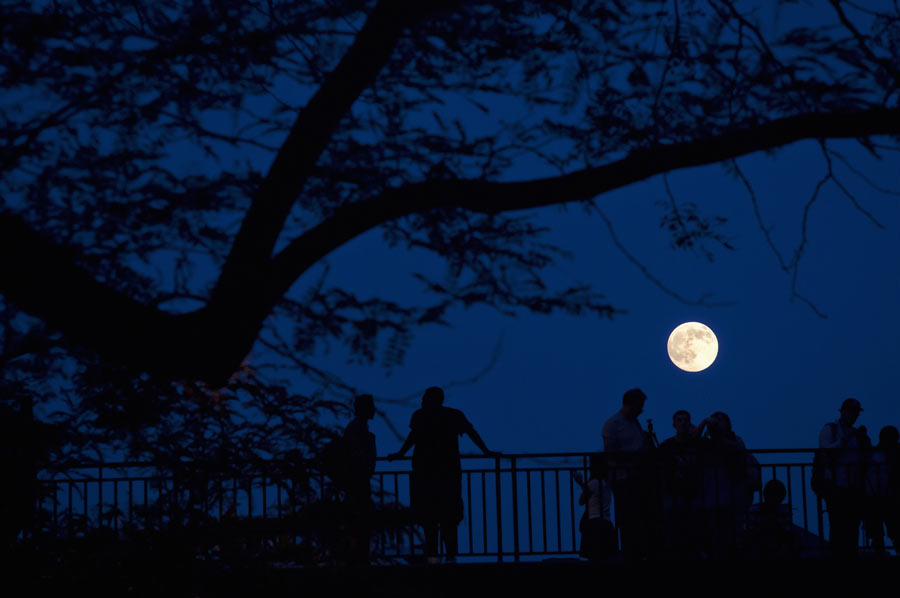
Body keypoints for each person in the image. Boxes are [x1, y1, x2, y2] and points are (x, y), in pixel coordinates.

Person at [389, 386, 497, 563]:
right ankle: (449, 557)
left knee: (432, 519)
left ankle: (436, 558)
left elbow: (413, 437)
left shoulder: (421, 416)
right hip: (447, 473)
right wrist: (486, 451)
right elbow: (471, 432)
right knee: (447, 518)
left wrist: (401, 454)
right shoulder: (452, 415)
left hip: (427, 473)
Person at [601, 388, 655, 558]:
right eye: (640, 406)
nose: (641, 410)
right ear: (632, 404)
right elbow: (611, 455)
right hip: (624, 479)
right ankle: (629, 552)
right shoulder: (613, 425)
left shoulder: (633, 422)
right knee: (628, 518)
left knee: (640, 517)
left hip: (638, 477)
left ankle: (638, 550)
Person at [695, 411, 759, 556]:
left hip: (730, 496)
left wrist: (718, 436)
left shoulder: (735, 440)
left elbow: (737, 449)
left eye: (720, 421)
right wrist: (705, 423)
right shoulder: (706, 443)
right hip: (711, 497)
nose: (717, 424)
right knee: (711, 536)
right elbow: (693, 442)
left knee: (730, 535)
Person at [818, 397, 871, 558]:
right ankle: (838, 555)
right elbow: (826, 452)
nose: (853, 416)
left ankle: (849, 555)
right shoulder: (830, 429)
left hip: (853, 486)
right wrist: (845, 439)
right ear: (843, 412)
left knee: (853, 524)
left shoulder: (855, 435)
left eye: (855, 413)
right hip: (835, 485)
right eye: (851, 412)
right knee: (838, 524)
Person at [658, 410, 707, 557]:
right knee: (675, 526)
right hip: (673, 492)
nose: (683, 423)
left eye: (685, 420)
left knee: (692, 526)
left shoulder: (697, 444)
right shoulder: (666, 446)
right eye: (679, 420)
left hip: (693, 491)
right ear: (674, 424)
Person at [342, 393, 377, 566]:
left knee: (359, 517)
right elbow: (356, 453)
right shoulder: (357, 427)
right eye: (371, 407)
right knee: (359, 518)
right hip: (358, 480)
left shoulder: (358, 426)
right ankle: (358, 557)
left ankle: (359, 556)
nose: (374, 410)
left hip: (358, 479)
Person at [865, 425, 899, 555]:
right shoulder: (893, 453)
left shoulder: (874, 453)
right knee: (892, 527)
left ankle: (879, 551)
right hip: (887, 496)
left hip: (877, 495)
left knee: (879, 529)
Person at [576, 453, 617, 561]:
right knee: (606, 558)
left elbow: (581, 501)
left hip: (593, 524)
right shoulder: (607, 484)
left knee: (593, 558)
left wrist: (581, 483)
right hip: (607, 524)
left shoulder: (592, 483)